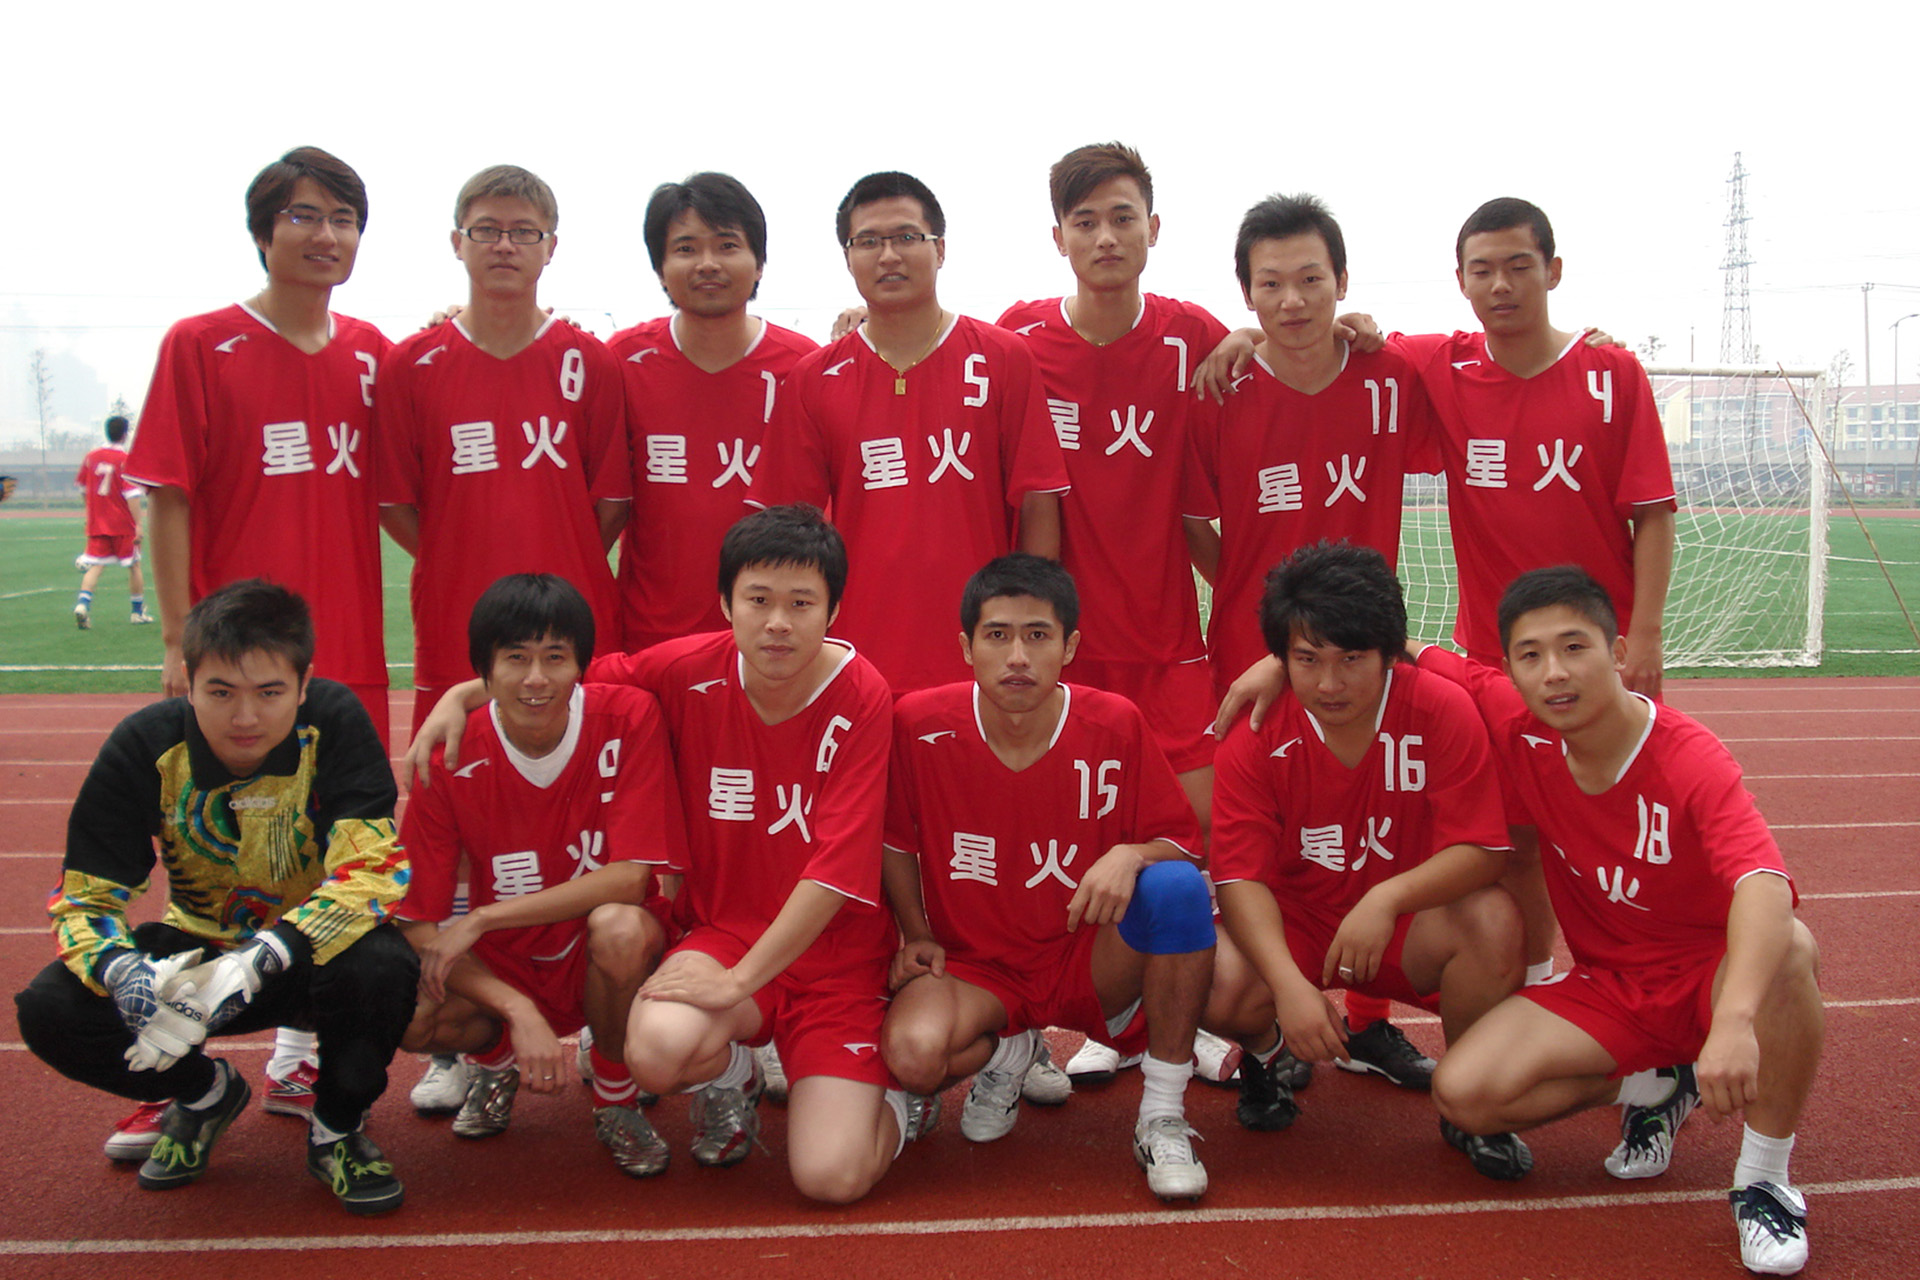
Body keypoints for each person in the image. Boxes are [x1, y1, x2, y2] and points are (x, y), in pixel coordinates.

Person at [409, 505, 922, 1203]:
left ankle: (894, 1101)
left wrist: (736, 984)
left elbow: (834, 874)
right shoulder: (686, 668)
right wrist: (462, 694)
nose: (777, 622)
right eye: (758, 600)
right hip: (722, 933)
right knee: (654, 1053)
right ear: (726, 604)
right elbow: (562, 673)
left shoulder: (862, 695)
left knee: (831, 1179)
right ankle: (733, 1077)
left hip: (835, 959)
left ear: (833, 610)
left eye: (801, 603)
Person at [1422, 566, 1823, 1275]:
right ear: (1511, 668)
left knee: (1789, 949)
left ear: (1618, 653)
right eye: (1531, 655)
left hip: (1710, 976)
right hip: (1612, 984)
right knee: (1464, 1095)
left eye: (1574, 647)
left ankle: (1764, 1181)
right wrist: (1277, 664)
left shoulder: (1688, 756)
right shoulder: (1522, 726)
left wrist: (1734, 1022)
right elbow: (1417, 655)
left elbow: (1762, 882)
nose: (1554, 671)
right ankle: (1657, 1084)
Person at [121, 144, 389, 1152]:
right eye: (304, 215)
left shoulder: (373, 353)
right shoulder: (202, 344)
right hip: (236, 666)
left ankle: (298, 1050)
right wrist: (182, 640)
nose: (326, 235)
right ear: (263, 229)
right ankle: (178, 1063)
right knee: (208, 852)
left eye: (344, 218)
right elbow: (168, 495)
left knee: (332, 850)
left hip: (346, 649)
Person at [13, 580, 417, 1215]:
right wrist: (123, 973)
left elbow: (375, 871)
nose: (245, 717)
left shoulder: (333, 723)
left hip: (304, 956)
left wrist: (260, 958)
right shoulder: (145, 746)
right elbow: (84, 900)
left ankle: (337, 1128)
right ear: (188, 680)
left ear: (304, 685)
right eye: (221, 692)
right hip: (192, 960)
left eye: (269, 693)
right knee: (49, 1008)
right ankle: (204, 1094)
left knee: (385, 965)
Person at [1189, 193, 1442, 1090]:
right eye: (1271, 284)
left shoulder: (1390, 375)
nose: (1292, 301)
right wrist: (1272, 626)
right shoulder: (1221, 390)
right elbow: (1190, 517)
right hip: (1252, 660)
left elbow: (1488, 367)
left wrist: (1597, 345)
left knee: (1383, 827)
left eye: (1310, 279)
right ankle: (1267, 1034)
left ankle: (1369, 1022)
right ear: (1245, 295)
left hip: (1366, 656)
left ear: (1343, 281)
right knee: (1258, 842)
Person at [882, 553, 1215, 1199]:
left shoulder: (1115, 722)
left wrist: (1132, 854)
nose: (1017, 657)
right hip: (977, 965)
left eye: (1037, 635)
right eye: (997, 635)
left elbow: (1183, 845)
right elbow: (893, 841)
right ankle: (1010, 1051)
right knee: (914, 1057)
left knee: (1175, 888)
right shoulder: (918, 725)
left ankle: (1162, 1114)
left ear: (1069, 647)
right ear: (966, 647)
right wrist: (916, 932)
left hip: (1087, 953)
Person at [1206, 542, 1527, 1177]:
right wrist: (1290, 988)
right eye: (1307, 659)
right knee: (1211, 975)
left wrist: (1387, 898)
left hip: (1407, 923)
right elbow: (1239, 876)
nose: (1329, 683)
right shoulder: (1258, 728)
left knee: (1493, 921)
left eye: (1351, 659)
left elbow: (1483, 850)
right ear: (1280, 659)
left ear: (1387, 652)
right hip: (1301, 922)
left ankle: (1469, 1102)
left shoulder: (1439, 707)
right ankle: (1269, 1057)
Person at [397, 574, 687, 1177]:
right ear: (484, 670)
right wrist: (515, 1009)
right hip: (506, 963)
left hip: (593, 952)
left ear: (581, 664)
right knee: (405, 1010)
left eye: (555, 658)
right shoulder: (447, 755)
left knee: (622, 928)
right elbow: (419, 922)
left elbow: (630, 879)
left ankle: (615, 1096)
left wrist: (482, 916)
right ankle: (497, 1063)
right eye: (516, 659)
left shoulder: (626, 716)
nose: (536, 678)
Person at [748, 171, 1068, 696]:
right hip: (855, 652)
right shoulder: (814, 378)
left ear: (940, 249)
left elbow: (1038, 501)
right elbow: (787, 530)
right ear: (847, 257)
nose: (889, 255)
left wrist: (1026, 627)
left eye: (906, 237)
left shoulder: (1003, 358)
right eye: (868, 241)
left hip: (981, 651)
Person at [377, 163, 631, 741]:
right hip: (456, 614)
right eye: (487, 230)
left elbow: (613, 503)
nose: (505, 245)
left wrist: (561, 555)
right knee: (455, 772)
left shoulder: (591, 362)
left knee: (583, 775)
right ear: (457, 242)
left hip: (572, 615)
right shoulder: (410, 365)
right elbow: (394, 504)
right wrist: (456, 552)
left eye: (524, 232)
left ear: (551, 248)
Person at [611, 172, 818, 651]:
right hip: (651, 636)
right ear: (660, 268)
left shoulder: (803, 368)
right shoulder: (622, 362)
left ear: (759, 263)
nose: (707, 264)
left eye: (727, 245)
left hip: (773, 641)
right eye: (686, 248)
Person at [73, 414, 153, 628]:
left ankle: (82, 605)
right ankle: (137, 613)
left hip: (97, 524)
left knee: (95, 566)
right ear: (125, 434)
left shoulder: (91, 457)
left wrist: (91, 513)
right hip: (122, 525)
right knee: (134, 565)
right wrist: (138, 525)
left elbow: (83, 489)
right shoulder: (126, 460)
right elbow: (132, 495)